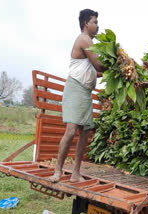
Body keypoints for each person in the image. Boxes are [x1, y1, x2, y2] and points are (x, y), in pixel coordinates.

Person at [49, 9, 106, 183]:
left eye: (97, 22)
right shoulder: (84, 39)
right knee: (71, 130)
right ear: (85, 24)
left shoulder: (91, 42)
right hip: (75, 89)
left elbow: (94, 71)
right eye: (95, 22)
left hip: (85, 92)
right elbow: (99, 65)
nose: (97, 26)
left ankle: (75, 173)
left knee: (85, 131)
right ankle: (57, 171)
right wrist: (116, 62)